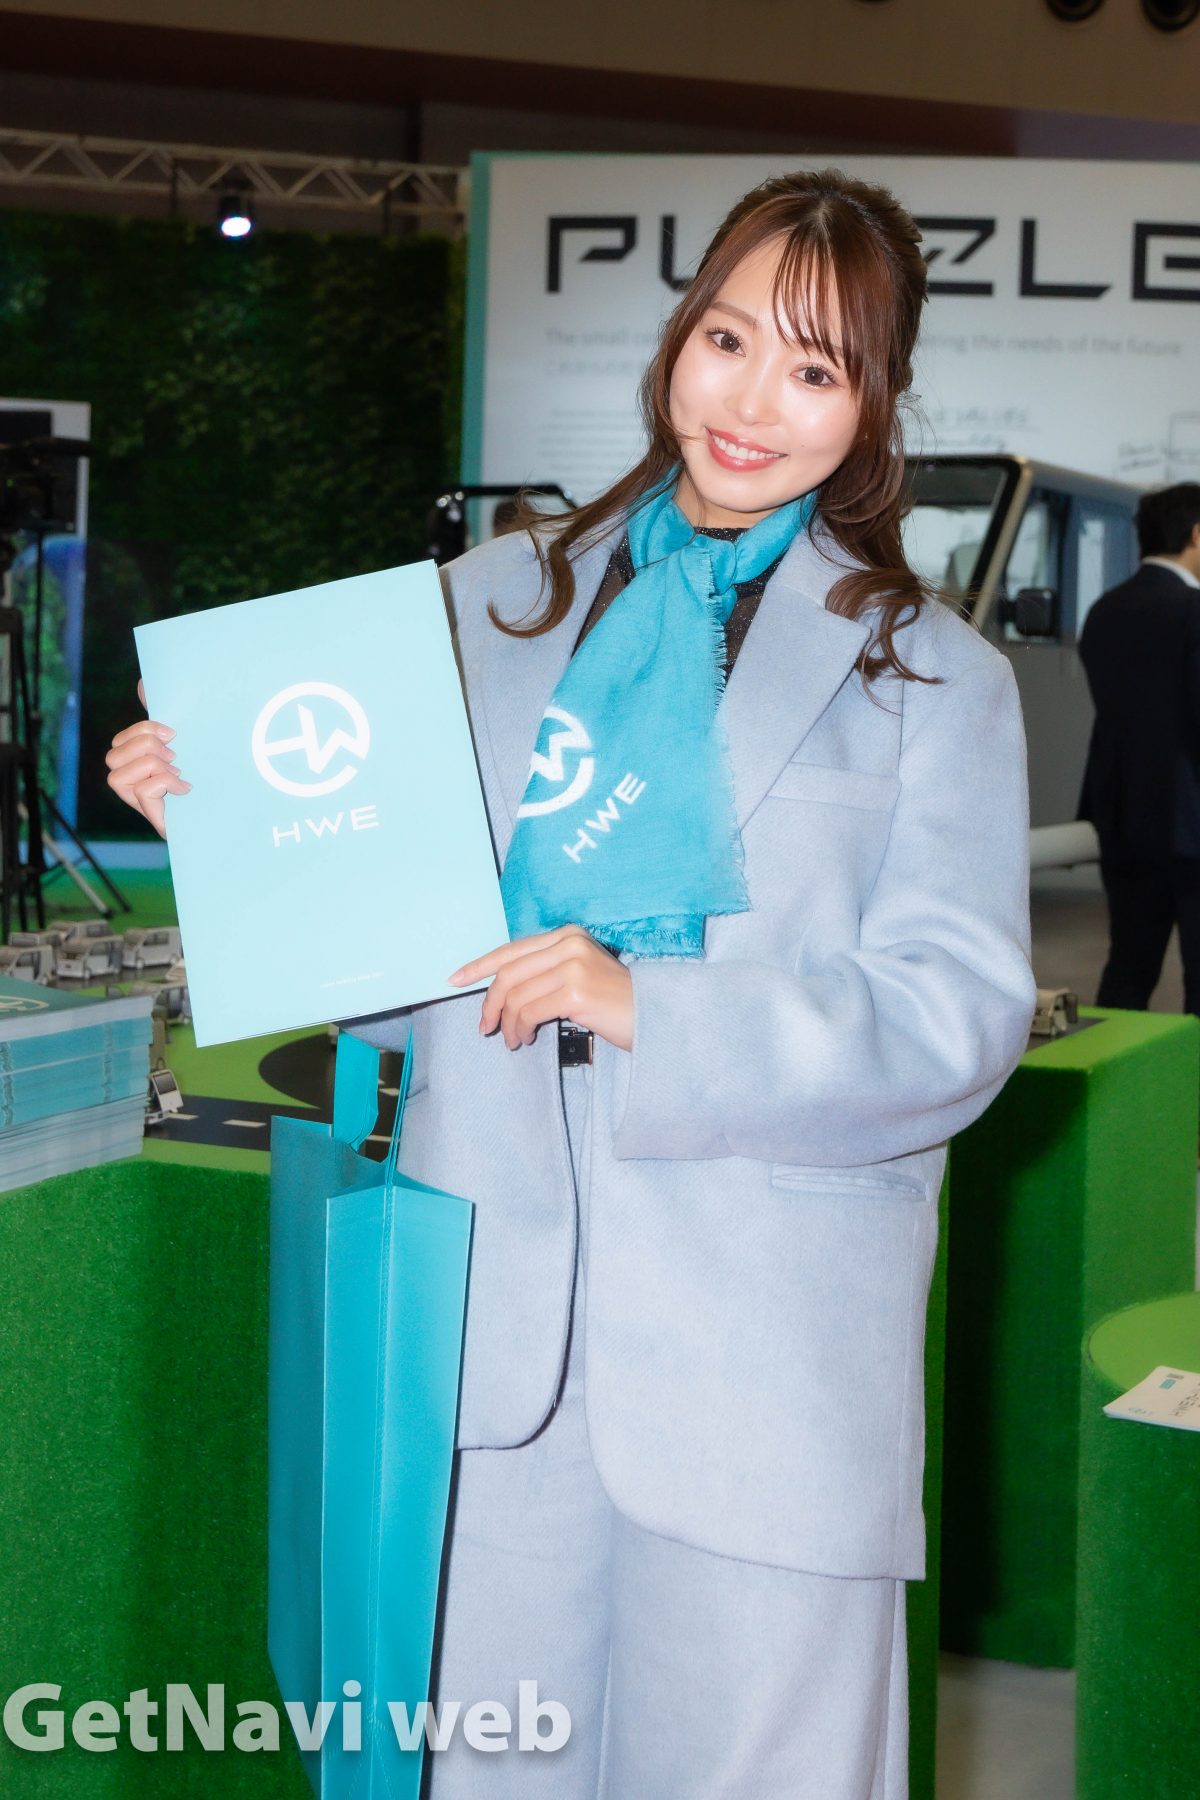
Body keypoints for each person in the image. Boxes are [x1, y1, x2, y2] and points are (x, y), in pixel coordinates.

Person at [105, 168, 1035, 1800]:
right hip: (488, 1325)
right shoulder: (487, 605)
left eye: (813, 368)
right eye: (727, 340)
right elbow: (393, 960)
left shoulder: (930, 674)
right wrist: (234, 837)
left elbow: (956, 1019)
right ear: (679, 340)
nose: (750, 402)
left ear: (872, 403)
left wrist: (651, 1008)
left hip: (769, 1355)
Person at [1078, 482, 1200, 1015]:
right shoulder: (1194, 610)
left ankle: (1115, 1062)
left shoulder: (1104, 610)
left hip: (1122, 814)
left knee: (1128, 969)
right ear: (1197, 535)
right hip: (1193, 821)